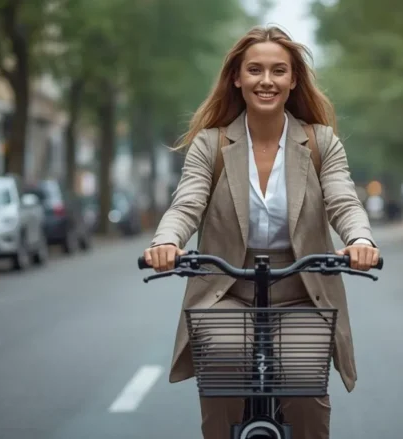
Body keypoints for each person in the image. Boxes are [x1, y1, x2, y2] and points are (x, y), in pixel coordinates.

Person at [143, 25, 379, 439]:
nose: (266, 80)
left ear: (292, 81)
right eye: (255, 70)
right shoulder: (210, 144)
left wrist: (359, 240)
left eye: (278, 71)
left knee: (304, 380)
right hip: (225, 289)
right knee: (223, 362)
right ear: (237, 77)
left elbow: (343, 200)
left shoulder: (321, 142)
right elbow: (187, 203)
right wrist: (167, 241)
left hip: (303, 291)